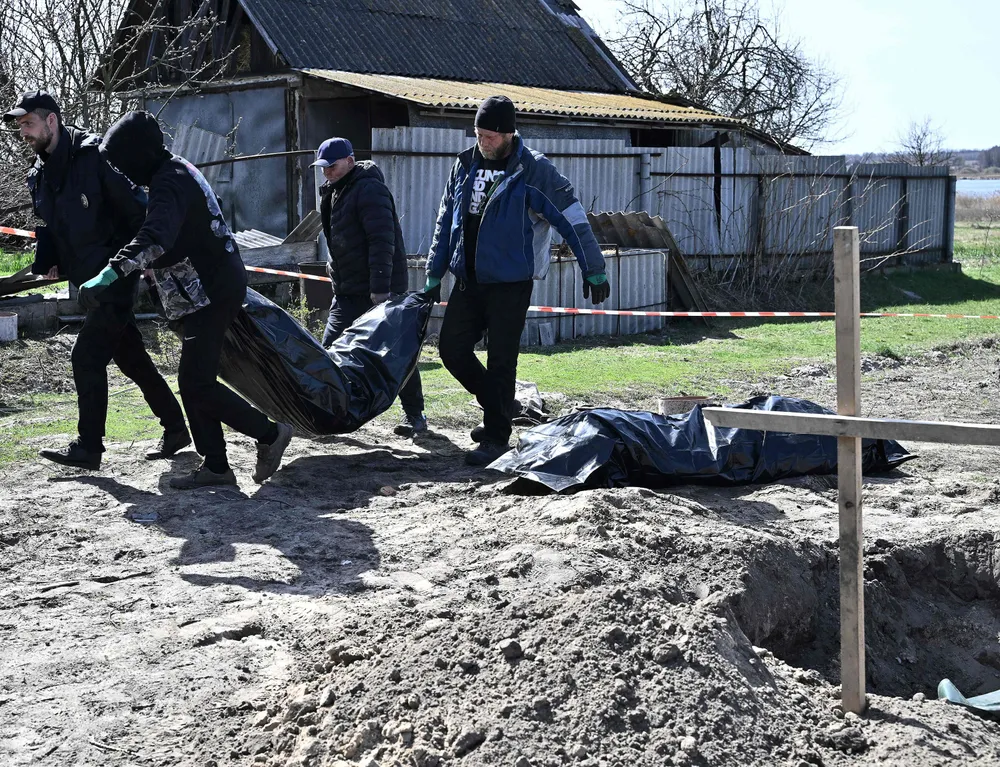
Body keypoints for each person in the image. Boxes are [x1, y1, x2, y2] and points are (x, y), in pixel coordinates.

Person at [79, 110, 293, 489]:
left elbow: (156, 234)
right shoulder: (171, 174)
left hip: (212, 292)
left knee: (195, 382)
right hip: (203, 292)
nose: (122, 172)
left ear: (138, 153)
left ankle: (269, 434)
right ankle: (216, 467)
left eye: (121, 162)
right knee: (194, 380)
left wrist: (110, 272)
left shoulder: (170, 181)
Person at [4, 90, 188, 471]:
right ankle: (175, 427)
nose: (23, 133)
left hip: (115, 275)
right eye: (20, 126)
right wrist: (49, 260)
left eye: (28, 124)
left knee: (86, 356)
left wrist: (137, 264)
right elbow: (51, 227)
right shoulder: (38, 174)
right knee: (132, 358)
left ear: (51, 121)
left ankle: (89, 447)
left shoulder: (96, 157)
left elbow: (138, 212)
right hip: (85, 281)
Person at [425, 95, 611, 466]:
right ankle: (502, 407)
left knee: (501, 360)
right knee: (451, 350)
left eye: (490, 136)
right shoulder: (464, 165)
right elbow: (446, 220)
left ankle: (495, 436)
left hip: (511, 282)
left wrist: (592, 266)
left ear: (509, 133)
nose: (483, 142)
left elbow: (571, 217)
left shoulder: (534, 170)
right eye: (478, 134)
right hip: (468, 279)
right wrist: (434, 270)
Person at [313, 137, 428, 437]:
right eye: (323, 168)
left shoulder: (369, 189)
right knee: (329, 350)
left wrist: (380, 289)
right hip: (348, 288)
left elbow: (382, 240)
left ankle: (415, 414)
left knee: (397, 354)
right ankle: (326, 414)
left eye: (332, 167)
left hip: (379, 290)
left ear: (350, 162)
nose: (327, 173)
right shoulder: (333, 191)